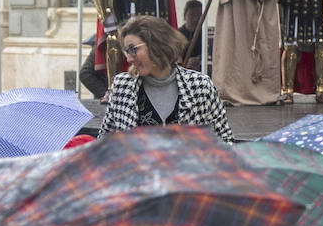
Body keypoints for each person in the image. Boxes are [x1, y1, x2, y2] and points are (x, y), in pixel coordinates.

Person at [97, 14, 234, 143]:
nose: (129, 58)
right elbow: (104, 142)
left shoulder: (200, 85)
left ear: (156, 46)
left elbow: (224, 141)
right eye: (127, 51)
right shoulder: (122, 86)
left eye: (133, 49)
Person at [177, 0, 204, 70]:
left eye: (199, 15)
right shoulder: (177, 35)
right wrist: (184, 63)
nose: (195, 19)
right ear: (185, 16)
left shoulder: (205, 35)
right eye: (192, 15)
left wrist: (199, 60)